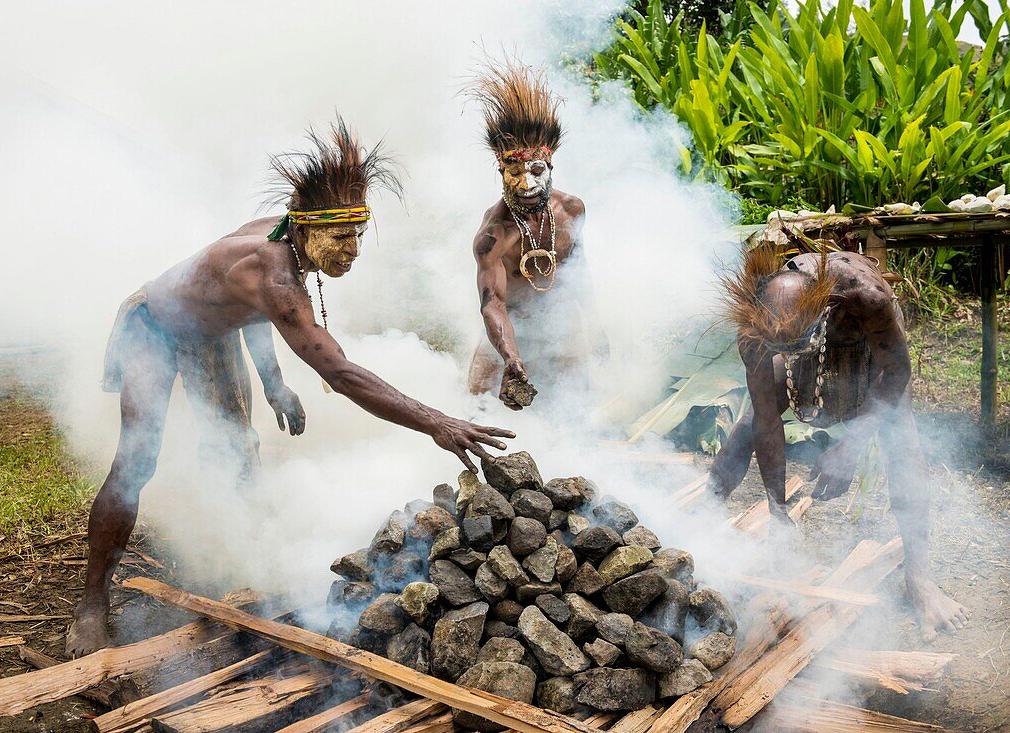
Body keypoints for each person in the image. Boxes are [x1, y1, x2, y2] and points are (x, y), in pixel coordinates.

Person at [66, 119, 514, 656]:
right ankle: (92, 602)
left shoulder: (283, 236)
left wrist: (274, 383)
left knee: (238, 450)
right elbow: (341, 374)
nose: (351, 251)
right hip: (154, 327)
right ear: (305, 227)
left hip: (211, 333)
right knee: (136, 464)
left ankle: (232, 564)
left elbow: (249, 312)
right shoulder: (275, 276)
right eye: (339, 237)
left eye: (357, 235)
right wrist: (436, 423)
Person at [709, 246, 970, 641]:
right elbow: (766, 420)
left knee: (903, 439)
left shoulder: (866, 298)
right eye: (782, 351)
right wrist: (778, 516)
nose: (786, 355)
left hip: (869, 348)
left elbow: (896, 374)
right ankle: (698, 525)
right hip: (799, 335)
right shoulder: (755, 323)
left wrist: (850, 448)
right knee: (747, 428)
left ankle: (920, 579)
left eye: (795, 345)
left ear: (824, 309)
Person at [465, 58, 608, 410]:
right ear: (500, 172)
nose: (526, 184)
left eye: (536, 169)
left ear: (550, 166)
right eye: (514, 171)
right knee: (478, 412)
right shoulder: (493, 235)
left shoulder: (572, 210)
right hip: (509, 331)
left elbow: (578, 268)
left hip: (562, 327)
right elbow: (492, 304)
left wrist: (595, 325)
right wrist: (511, 358)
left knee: (575, 414)